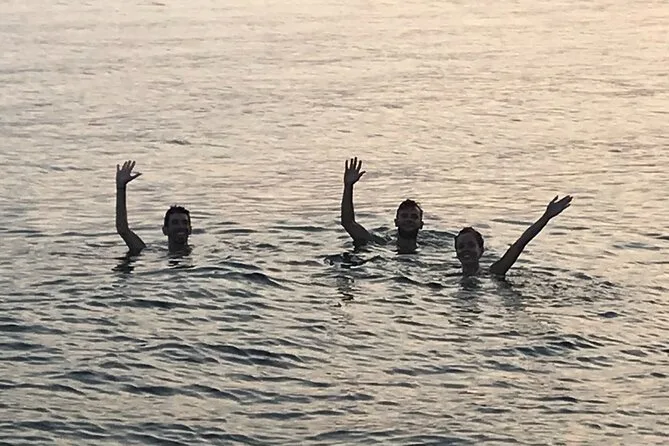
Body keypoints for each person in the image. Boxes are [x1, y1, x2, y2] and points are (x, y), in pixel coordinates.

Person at [454, 195, 573, 276]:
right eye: (461, 246)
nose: (466, 250)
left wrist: (546, 217)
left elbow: (520, 244)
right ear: (456, 253)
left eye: (471, 245)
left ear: (481, 250)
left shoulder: (495, 272)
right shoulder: (448, 277)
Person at [340, 157, 423, 252]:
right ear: (396, 222)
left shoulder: (433, 248)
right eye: (404, 216)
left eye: (414, 217)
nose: (409, 220)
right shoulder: (378, 243)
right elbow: (348, 222)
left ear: (421, 224)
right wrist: (348, 186)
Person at [115, 160, 192, 255]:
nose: (180, 227)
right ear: (165, 230)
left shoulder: (204, 252)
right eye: (175, 223)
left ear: (190, 230)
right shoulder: (151, 253)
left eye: (184, 223)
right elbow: (123, 230)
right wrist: (121, 187)